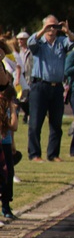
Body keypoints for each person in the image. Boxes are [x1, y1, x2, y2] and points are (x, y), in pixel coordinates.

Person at [27, 15, 74, 161]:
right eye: (49, 26)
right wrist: (43, 30)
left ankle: (53, 154)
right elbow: (30, 43)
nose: (52, 29)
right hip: (40, 86)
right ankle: (35, 154)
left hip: (57, 87)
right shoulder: (39, 42)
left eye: (54, 26)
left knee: (56, 123)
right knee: (36, 122)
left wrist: (68, 32)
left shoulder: (61, 42)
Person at [0, 88, 18, 219]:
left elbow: (13, 128)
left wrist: (12, 143)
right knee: (3, 175)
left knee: (9, 173)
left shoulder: (8, 107)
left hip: (6, 143)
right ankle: (4, 206)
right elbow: (12, 125)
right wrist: (12, 111)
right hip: (1, 143)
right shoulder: (2, 107)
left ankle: (6, 205)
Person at [13, 32, 32, 124]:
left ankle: (27, 114)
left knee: (25, 98)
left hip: (28, 76)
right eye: (18, 39)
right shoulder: (17, 51)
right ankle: (23, 115)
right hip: (18, 77)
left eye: (22, 39)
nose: (19, 41)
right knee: (19, 98)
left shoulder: (31, 50)